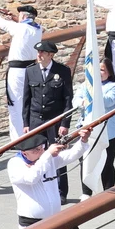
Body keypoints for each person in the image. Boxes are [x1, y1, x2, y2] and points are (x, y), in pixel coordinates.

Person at [22, 40, 74, 197]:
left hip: (54, 121)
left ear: (50, 55)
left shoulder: (62, 71)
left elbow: (67, 100)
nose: (38, 55)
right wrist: (26, 123)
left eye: (42, 52)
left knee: (57, 153)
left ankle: (61, 191)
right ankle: (40, 187)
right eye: (38, 52)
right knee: (35, 154)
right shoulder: (31, 71)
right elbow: (26, 99)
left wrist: (65, 123)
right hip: (36, 120)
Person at [0, 4, 44, 138]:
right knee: (28, 103)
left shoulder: (20, 28)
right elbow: (25, 26)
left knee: (15, 105)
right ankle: (30, 135)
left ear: (23, 16)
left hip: (17, 72)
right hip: (31, 69)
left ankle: (18, 139)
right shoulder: (38, 29)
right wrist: (14, 18)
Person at [83, 58, 115, 195]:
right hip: (89, 131)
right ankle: (86, 194)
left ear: (109, 72)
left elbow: (108, 101)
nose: (98, 72)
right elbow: (76, 100)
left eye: (102, 70)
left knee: (106, 164)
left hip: (109, 133)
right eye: (97, 69)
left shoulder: (114, 87)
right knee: (87, 164)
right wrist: (82, 101)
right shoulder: (86, 85)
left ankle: (109, 193)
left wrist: (94, 91)